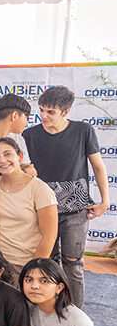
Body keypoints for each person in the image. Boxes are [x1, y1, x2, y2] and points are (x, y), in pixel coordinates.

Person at [23, 85, 109, 308]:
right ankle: (46, 309)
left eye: (50, 112)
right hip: (42, 210)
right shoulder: (29, 135)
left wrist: (104, 201)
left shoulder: (83, 130)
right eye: (41, 110)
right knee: (45, 263)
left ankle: (75, 313)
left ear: (66, 111)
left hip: (76, 210)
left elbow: (98, 167)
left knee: (73, 264)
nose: (43, 115)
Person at [0, 138, 58, 277]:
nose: (2, 160)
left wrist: (33, 270)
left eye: (7, 154)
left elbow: (49, 236)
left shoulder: (40, 189)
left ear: (19, 156)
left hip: (24, 265)